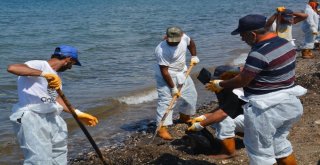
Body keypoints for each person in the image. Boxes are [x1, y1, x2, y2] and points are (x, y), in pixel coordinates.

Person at [206, 14, 307, 165]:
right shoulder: (285, 43)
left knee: (260, 154)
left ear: (252, 34)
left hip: (266, 110)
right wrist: (243, 69)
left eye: (242, 35)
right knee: (280, 145)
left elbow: (244, 80)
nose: (241, 39)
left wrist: (221, 84)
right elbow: (270, 67)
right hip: (289, 104)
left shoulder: (258, 53)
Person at [7, 45, 99, 164]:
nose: (71, 68)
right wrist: (44, 74)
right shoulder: (39, 65)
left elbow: (57, 99)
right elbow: (12, 68)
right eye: (73, 64)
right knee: (39, 160)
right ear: (68, 59)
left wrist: (77, 113)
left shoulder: (56, 77)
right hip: (32, 117)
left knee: (59, 153)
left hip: (51, 117)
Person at [187, 65, 245, 159]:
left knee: (222, 120)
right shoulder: (234, 86)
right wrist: (204, 117)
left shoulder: (234, 91)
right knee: (213, 119)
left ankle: (229, 152)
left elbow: (224, 113)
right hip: (251, 120)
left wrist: (200, 124)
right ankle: (248, 136)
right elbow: (225, 107)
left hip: (257, 123)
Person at [154, 26, 199, 140]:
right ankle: (161, 128)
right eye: (171, 41)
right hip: (167, 75)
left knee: (191, 95)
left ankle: (184, 116)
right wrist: (173, 88)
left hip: (182, 71)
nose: (173, 43)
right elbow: (164, 72)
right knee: (166, 101)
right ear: (166, 37)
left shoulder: (184, 38)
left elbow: (191, 43)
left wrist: (194, 56)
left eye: (176, 41)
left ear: (181, 36)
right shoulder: (161, 50)